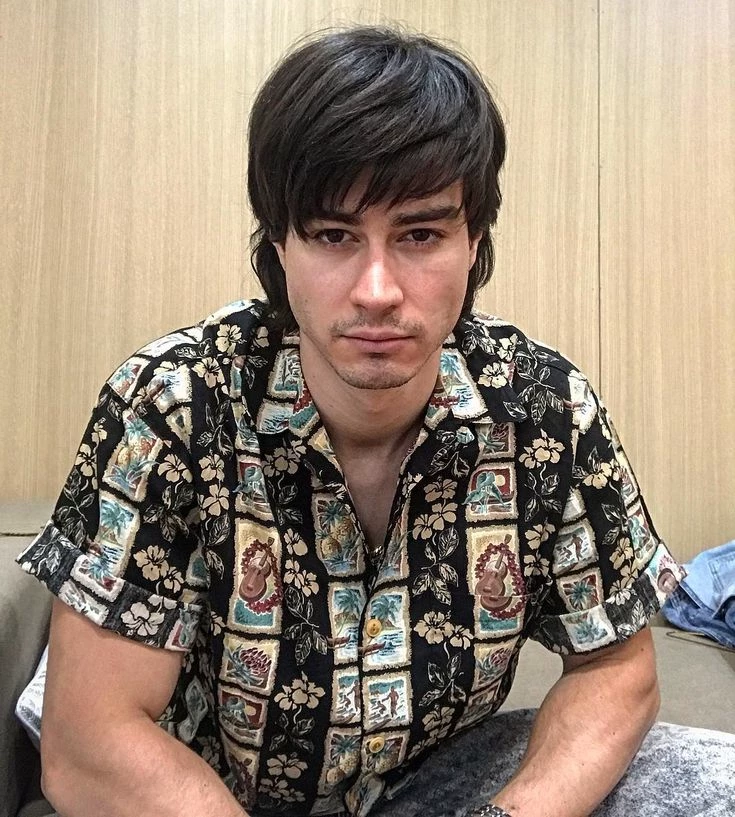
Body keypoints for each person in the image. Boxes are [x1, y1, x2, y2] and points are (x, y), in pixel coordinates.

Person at [17, 25, 685, 817]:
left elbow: (615, 668)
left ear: (473, 240)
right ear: (280, 244)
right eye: (333, 236)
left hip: (430, 782)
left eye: (420, 234)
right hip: (198, 789)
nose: (376, 289)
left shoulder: (546, 412)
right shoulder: (171, 406)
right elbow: (90, 739)